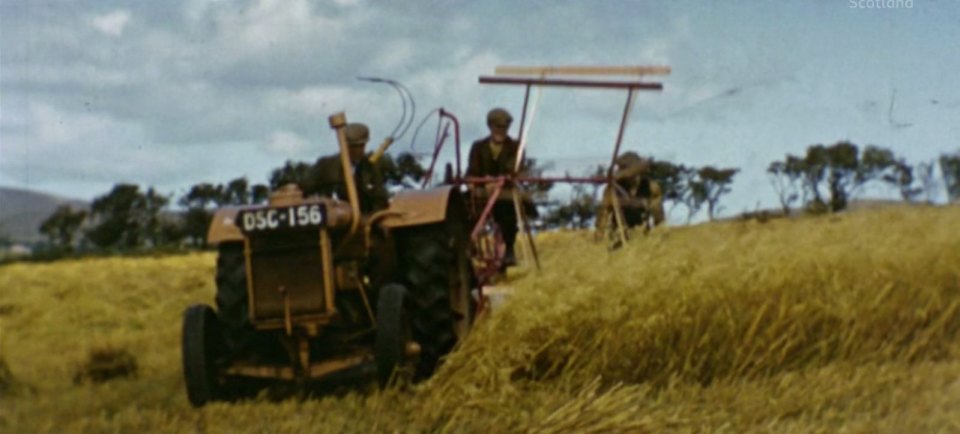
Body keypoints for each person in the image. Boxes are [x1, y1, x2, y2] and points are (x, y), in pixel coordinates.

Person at [466, 108, 522, 265]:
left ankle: (509, 249)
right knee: (466, 207)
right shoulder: (478, 147)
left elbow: (513, 171)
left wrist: (500, 181)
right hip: (481, 192)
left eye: (505, 127)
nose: (502, 131)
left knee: (508, 212)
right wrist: (482, 182)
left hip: (504, 193)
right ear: (490, 127)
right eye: (498, 127)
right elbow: (472, 170)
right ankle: (469, 243)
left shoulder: (515, 147)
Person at [305, 123, 389, 213]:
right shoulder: (326, 165)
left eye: (361, 145)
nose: (358, 150)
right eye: (353, 146)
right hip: (332, 221)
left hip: (364, 222)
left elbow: (380, 200)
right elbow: (304, 189)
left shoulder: (370, 168)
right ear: (344, 145)